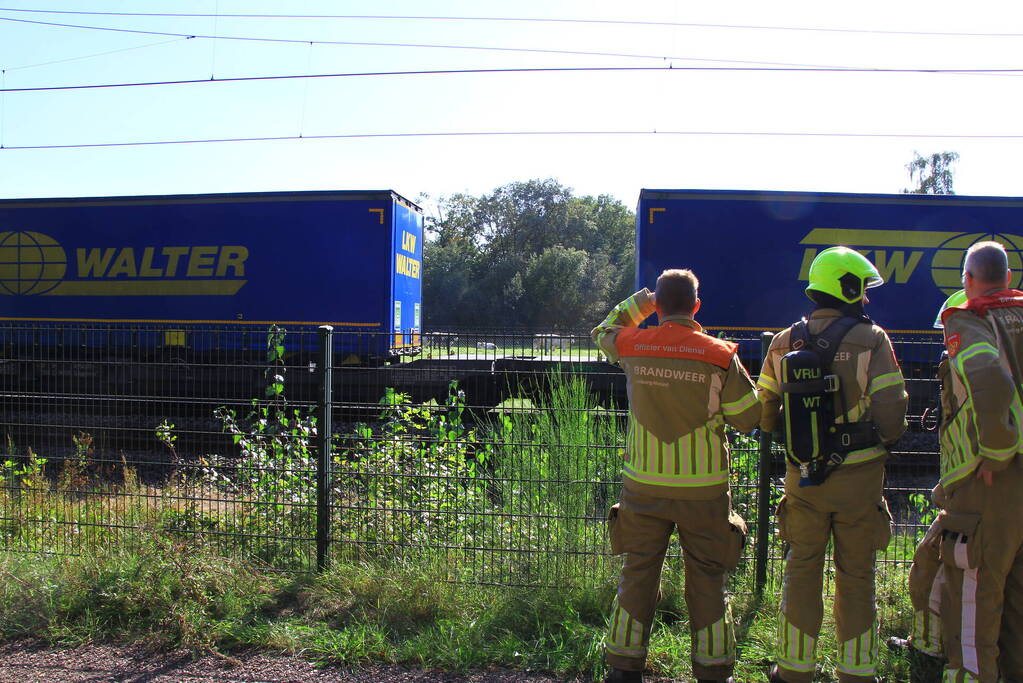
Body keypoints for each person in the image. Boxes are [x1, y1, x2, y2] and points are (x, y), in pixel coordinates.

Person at [592, 268, 760, 683]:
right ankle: (713, 670)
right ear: (697, 307)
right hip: (703, 491)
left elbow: (602, 330)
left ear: (659, 307)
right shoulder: (720, 355)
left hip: (643, 486)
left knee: (638, 573)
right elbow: (749, 418)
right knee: (707, 578)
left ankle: (623, 667)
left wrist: (641, 303)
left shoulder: (633, 344)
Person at [757, 246, 908, 683]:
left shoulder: (785, 341)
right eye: (862, 290)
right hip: (859, 480)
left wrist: (791, 440)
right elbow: (892, 406)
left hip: (802, 478)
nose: (866, 299)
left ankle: (793, 669)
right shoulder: (873, 338)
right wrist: (882, 442)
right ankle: (857, 672)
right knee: (857, 575)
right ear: (846, 286)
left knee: (801, 569)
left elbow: (764, 409)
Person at [935, 241, 1023, 682]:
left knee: (976, 591)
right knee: (1017, 595)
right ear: (1009, 278)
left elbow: (988, 378)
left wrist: (996, 450)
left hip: (996, 480)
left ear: (968, 281)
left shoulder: (971, 319)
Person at [888, 290, 967, 680]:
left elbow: (965, 440)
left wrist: (947, 491)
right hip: (976, 493)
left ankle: (936, 649)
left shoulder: (966, 370)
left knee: (932, 566)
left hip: (969, 497)